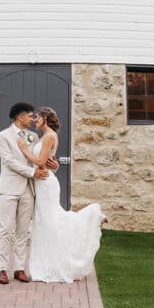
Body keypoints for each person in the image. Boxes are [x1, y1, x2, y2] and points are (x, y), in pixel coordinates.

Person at [18, 107, 107, 283]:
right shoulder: (45, 137)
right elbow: (50, 162)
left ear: (44, 118)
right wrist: (52, 163)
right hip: (42, 183)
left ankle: (92, 215)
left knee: (54, 221)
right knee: (47, 224)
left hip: (46, 183)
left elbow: (41, 162)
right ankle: (48, 265)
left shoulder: (49, 136)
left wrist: (24, 149)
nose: (34, 120)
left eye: (37, 117)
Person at [0, 102, 54, 285]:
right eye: (30, 116)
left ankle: (19, 269)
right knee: (5, 229)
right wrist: (32, 172)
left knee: (22, 231)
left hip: (29, 189)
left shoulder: (33, 136)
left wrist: (54, 165)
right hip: (9, 189)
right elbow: (9, 161)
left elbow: (39, 160)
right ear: (20, 117)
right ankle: (1, 269)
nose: (32, 119)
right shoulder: (2, 136)